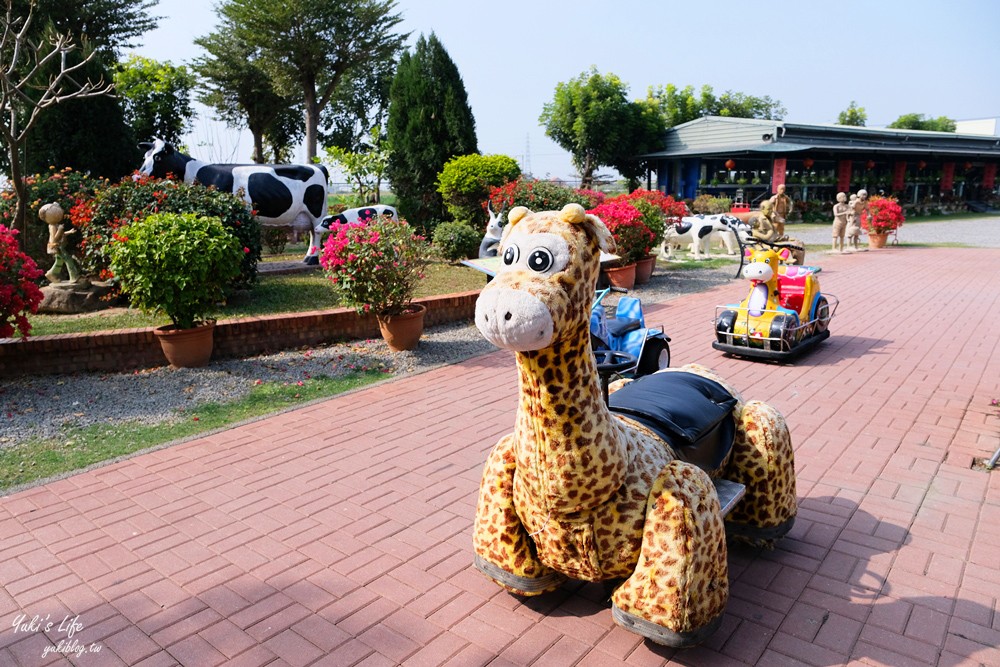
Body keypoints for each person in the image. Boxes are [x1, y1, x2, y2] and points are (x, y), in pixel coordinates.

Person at [39, 202, 81, 284]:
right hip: (57, 246)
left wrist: (69, 232)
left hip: (59, 246)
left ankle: (51, 274)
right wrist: (60, 229)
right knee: (68, 260)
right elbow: (55, 238)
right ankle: (74, 277)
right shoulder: (52, 226)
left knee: (59, 262)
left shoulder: (55, 225)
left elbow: (62, 234)